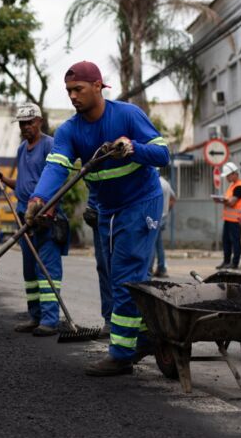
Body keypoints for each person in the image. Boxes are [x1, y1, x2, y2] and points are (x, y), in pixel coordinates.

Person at [28, 61, 169, 376]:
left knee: (125, 275)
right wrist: (39, 199)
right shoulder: (69, 131)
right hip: (107, 209)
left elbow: (162, 154)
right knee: (111, 274)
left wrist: (132, 147)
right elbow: (56, 166)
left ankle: (121, 354)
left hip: (140, 202)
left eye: (78, 89)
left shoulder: (127, 115)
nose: (72, 96)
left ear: (98, 86)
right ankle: (145, 334)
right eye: (68, 91)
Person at [0, 103, 68, 336]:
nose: (25, 127)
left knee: (47, 271)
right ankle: (35, 316)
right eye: (22, 124)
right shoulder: (22, 149)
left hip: (46, 218)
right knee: (30, 273)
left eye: (29, 123)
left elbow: (59, 180)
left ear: (39, 121)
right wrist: (1, 177)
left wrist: (47, 210)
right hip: (24, 217)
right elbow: (22, 183)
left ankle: (50, 320)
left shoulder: (50, 145)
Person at [83, 194, 111, 337]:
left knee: (124, 268)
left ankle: (137, 325)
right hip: (99, 215)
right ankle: (110, 320)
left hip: (123, 212)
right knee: (104, 267)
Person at [213, 161, 241, 269]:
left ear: (234, 174)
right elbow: (229, 200)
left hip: (236, 220)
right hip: (228, 219)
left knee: (236, 242)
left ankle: (234, 263)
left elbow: (232, 202)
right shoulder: (232, 186)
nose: (226, 178)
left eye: (228, 176)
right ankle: (226, 262)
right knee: (226, 241)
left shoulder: (240, 187)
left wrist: (222, 200)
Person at [148, 174, 176, 278]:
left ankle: (149, 269)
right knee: (158, 244)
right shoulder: (166, 183)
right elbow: (173, 199)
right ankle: (161, 268)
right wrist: (167, 210)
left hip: (155, 217)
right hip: (163, 217)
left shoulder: (154, 182)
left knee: (151, 243)